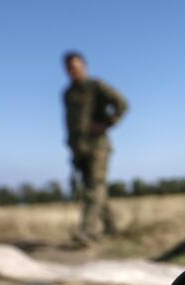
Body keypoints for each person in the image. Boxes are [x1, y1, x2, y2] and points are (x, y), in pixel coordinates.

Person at [62, 51, 128, 244]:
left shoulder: (96, 86)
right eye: (70, 68)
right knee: (95, 190)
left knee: (95, 187)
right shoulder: (67, 93)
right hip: (79, 148)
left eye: (77, 67)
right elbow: (70, 123)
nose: (74, 71)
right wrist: (72, 146)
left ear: (84, 67)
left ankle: (87, 231)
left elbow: (122, 104)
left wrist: (106, 124)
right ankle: (111, 228)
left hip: (98, 146)